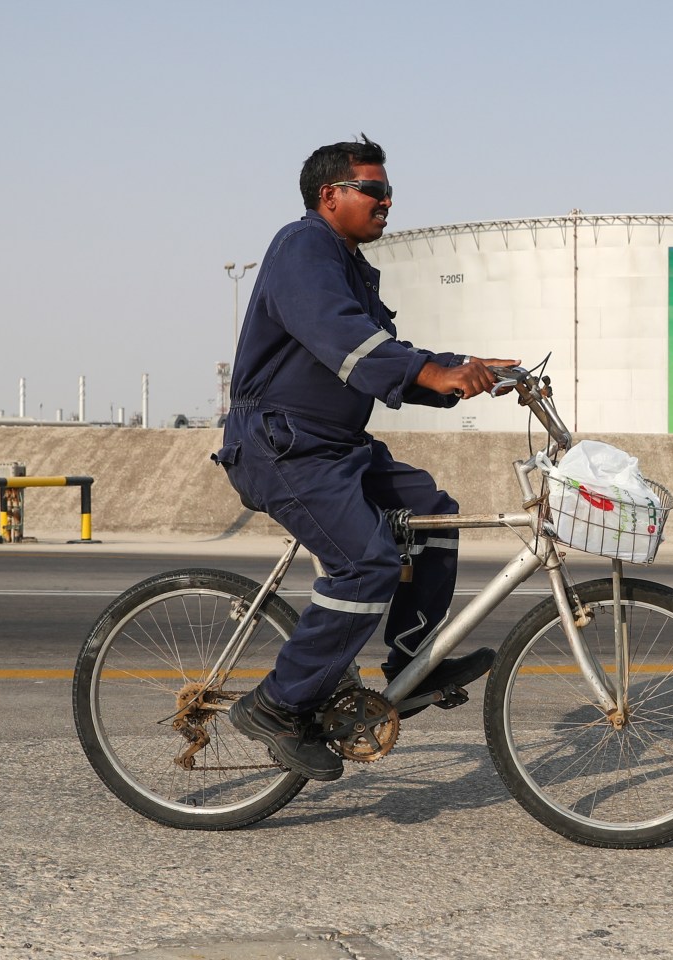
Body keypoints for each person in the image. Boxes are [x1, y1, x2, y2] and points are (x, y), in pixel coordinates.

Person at [212, 135, 515, 781]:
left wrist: (461, 370)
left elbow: (382, 353)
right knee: (365, 564)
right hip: (282, 443)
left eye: (388, 193)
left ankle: (413, 662)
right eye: (373, 191)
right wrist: (432, 371)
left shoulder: (350, 265)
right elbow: (340, 334)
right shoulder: (303, 245)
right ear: (331, 196)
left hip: (336, 446)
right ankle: (277, 705)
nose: (386, 203)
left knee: (430, 513)